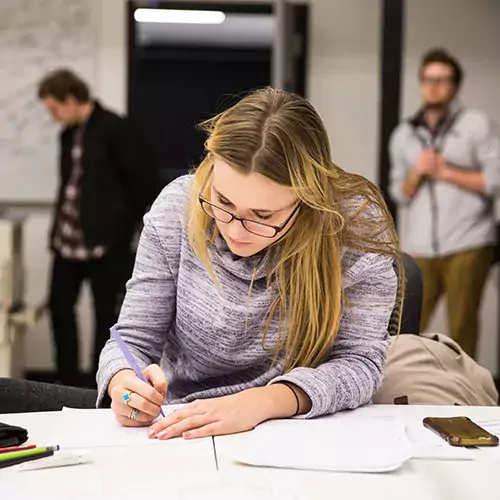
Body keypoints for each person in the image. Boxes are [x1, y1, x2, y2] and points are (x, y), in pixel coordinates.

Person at [97, 87, 402, 439]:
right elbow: (131, 340)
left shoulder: (356, 228)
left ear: (309, 198)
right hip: (183, 423)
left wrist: (266, 402)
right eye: (223, 201)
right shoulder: (178, 208)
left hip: (301, 430)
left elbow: (359, 363)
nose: (235, 229)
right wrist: (123, 382)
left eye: (262, 215)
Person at [38, 69, 162, 386]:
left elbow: (144, 184)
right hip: (68, 243)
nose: (52, 117)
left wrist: (123, 228)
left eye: (54, 109)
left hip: (106, 244)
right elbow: (71, 186)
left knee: (105, 315)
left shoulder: (115, 129)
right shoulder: (67, 135)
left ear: (70, 99)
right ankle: (64, 382)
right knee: (59, 309)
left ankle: (100, 383)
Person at [389, 48, 500, 359]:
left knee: (462, 325)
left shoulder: (476, 125)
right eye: (428, 79)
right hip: (420, 245)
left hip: (469, 241)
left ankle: (469, 398)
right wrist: (416, 172)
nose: (434, 86)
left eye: (442, 79)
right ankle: (408, 392)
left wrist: (446, 171)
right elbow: (399, 193)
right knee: (407, 327)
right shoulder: (404, 134)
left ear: (455, 85)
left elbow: (494, 180)